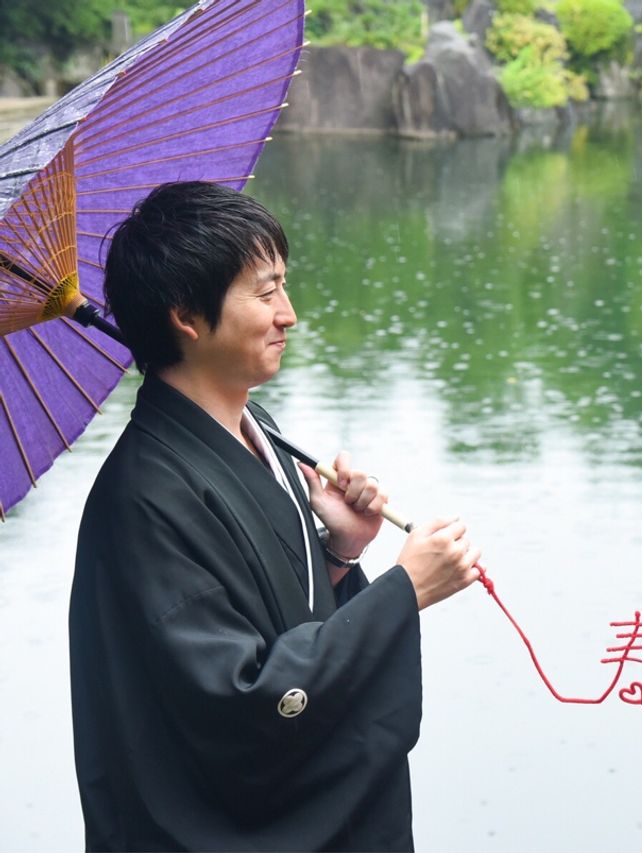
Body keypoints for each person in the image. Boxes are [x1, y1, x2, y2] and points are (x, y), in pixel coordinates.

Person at [69, 181, 482, 851]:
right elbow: (244, 700)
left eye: (283, 287)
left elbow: (275, 616)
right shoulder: (141, 496)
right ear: (186, 316)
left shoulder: (258, 429)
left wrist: (339, 553)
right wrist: (404, 592)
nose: (288, 314)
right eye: (265, 294)